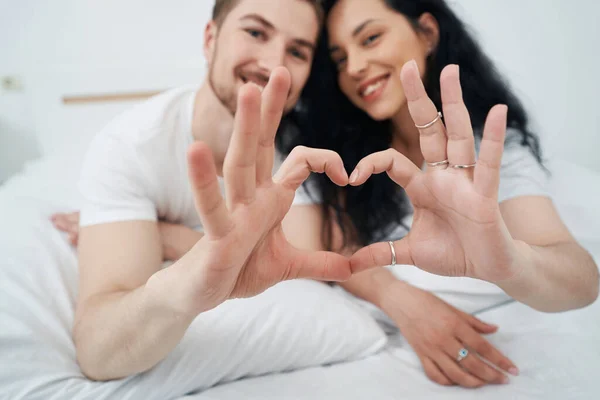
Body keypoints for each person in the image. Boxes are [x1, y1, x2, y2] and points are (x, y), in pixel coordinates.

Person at [272, 0, 598, 388]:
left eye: (371, 38)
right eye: (340, 60)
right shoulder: (345, 147)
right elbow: (331, 244)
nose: (355, 67)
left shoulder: (489, 153)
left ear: (427, 31)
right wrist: (401, 301)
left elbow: (580, 280)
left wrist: (511, 265)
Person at [60, 0, 370, 382]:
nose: (274, 64)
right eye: (256, 32)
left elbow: (308, 261)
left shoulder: (303, 147)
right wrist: (184, 288)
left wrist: (166, 236)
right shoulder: (131, 147)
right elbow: (98, 352)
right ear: (210, 39)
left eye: (297, 51)